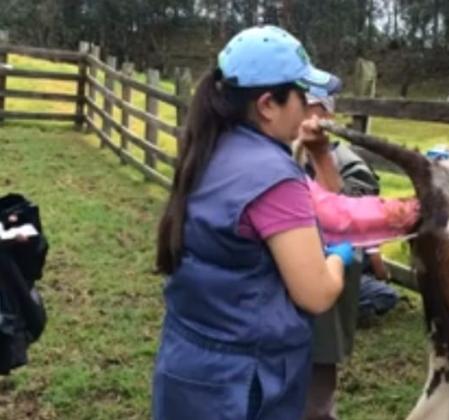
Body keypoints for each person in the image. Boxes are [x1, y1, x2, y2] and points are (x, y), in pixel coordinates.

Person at [152, 25, 355, 420]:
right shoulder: (275, 178)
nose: (307, 107)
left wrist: (318, 156)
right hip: (247, 382)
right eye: (301, 96)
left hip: (188, 363)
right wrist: (338, 259)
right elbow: (315, 294)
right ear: (267, 105)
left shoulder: (209, 149)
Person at [297, 89, 418, 420]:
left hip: (324, 303)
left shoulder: (350, 165)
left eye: (307, 106)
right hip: (287, 304)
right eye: (294, 102)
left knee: (316, 400)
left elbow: (346, 217)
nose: (298, 113)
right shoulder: (276, 157)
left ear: (326, 116)